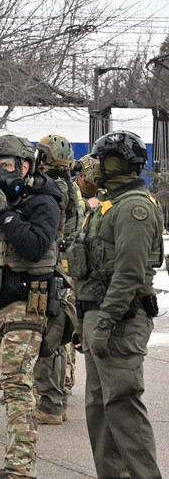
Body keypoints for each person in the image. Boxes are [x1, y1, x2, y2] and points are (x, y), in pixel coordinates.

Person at [0, 135, 62, 479]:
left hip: (26, 305)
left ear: (25, 166)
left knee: (17, 386)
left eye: (7, 166)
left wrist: (2, 212)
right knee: (3, 381)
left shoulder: (44, 201)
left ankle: (19, 469)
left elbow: (35, 246)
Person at [70, 131, 161, 479]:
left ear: (114, 163)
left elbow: (129, 274)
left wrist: (105, 323)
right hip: (101, 315)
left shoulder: (134, 208)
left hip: (121, 319)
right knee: (100, 408)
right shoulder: (109, 204)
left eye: (98, 158)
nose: (91, 165)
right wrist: (85, 323)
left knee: (122, 406)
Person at [32, 134, 84, 425]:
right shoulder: (70, 187)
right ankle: (58, 397)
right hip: (67, 267)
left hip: (54, 267)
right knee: (60, 335)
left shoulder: (52, 188)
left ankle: (51, 402)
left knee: (48, 337)